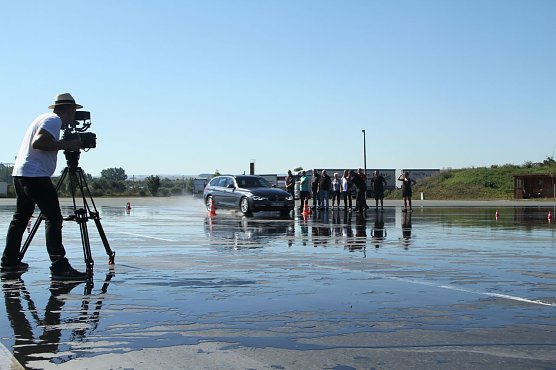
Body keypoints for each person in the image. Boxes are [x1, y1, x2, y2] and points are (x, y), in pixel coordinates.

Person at [1, 93, 88, 280]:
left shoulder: (43, 118)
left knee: (21, 218)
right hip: (35, 176)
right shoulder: (53, 120)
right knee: (54, 218)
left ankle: (9, 261)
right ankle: (59, 266)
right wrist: (68, 144)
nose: (75, 116)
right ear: (70, 109)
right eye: (75, 111)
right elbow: (39, 142)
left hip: (21, 174)